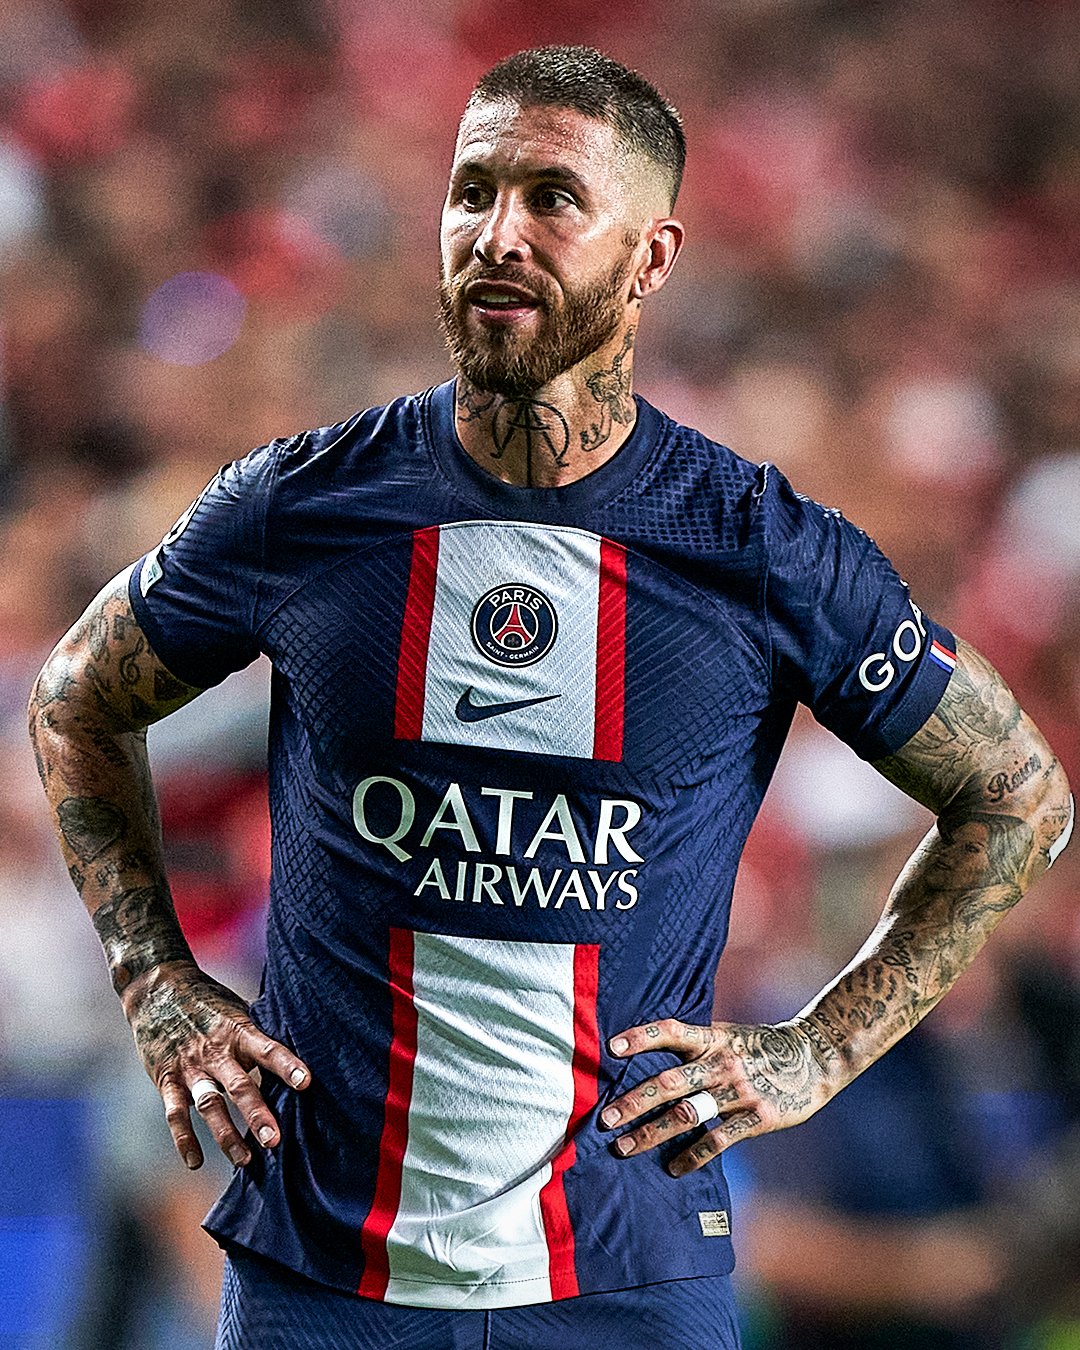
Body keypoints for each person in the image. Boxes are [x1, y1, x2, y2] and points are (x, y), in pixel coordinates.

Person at [28, 44, 1073, 1350]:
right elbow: (75, 697)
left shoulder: (757, 547)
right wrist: (155, 977)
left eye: (553, 198)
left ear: (651, 257)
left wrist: (819, 1048)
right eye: (473, 191)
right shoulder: (300, 508)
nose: (497, 233)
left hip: (626, 1278)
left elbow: (1018, 793)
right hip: (327, 1273)